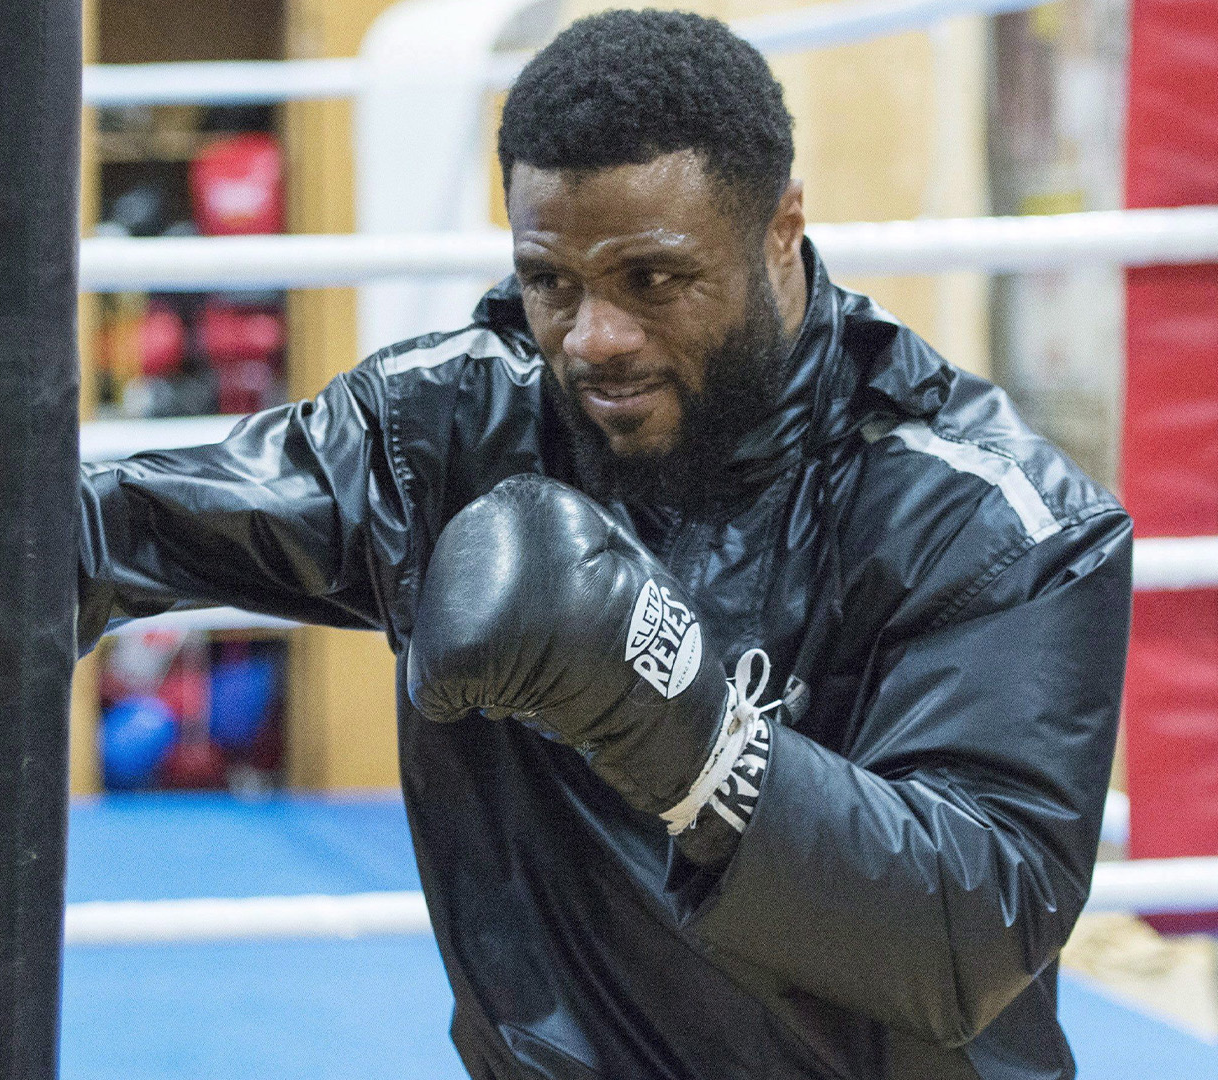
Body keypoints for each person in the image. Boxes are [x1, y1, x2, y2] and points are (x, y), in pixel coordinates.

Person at [78, 10, 1130, 1079]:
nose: (595, 339)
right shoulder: (447, 437)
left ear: (781, 228)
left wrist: (693, 741)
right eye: (551, 282)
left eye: (653, 281)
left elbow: (975, 933)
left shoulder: (994, 522)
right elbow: (105, 533)